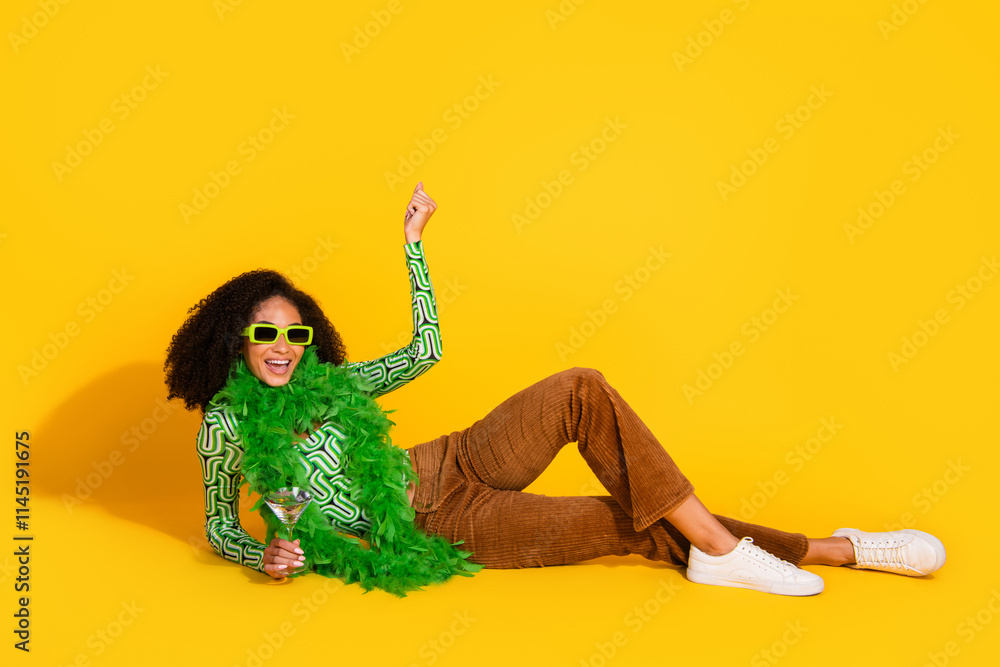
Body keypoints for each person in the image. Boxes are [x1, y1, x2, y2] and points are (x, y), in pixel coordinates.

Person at [164, 182, 946, 597]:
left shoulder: (334, 385)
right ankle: (834, 548)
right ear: (236, 338)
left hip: (452, 460)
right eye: (265, 332)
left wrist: (412, 245)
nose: (283, 347)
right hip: (444, 524)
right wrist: (270, 550)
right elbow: (218, 526)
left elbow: (427, 350)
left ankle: (719, 549)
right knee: (624, 520)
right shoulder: (224, 429)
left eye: (296, 333)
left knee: (581, 387)